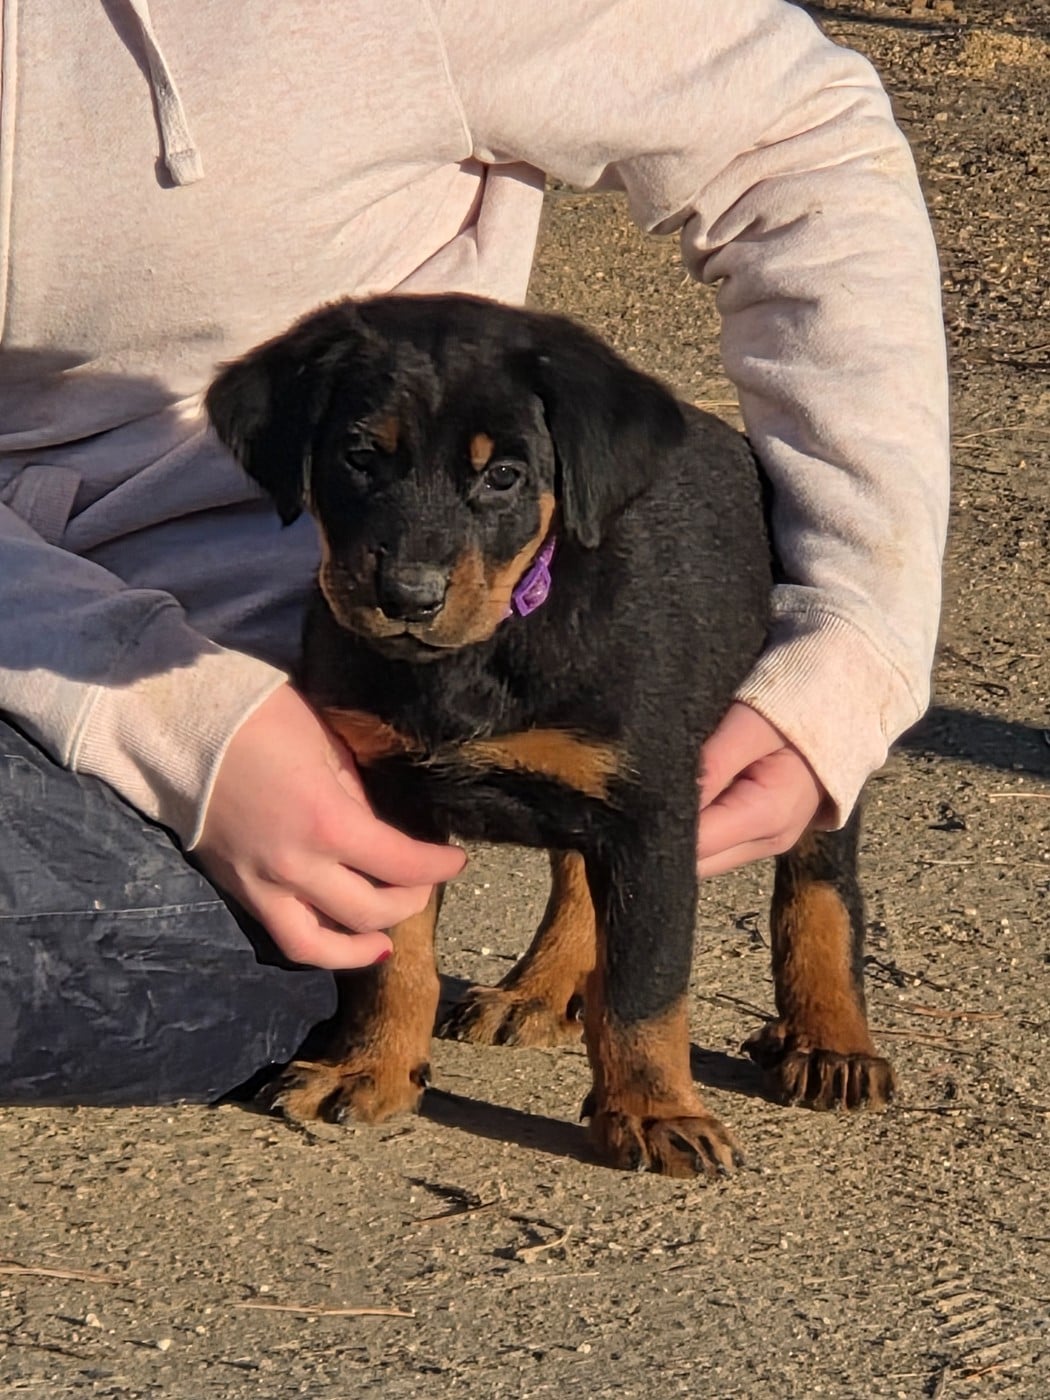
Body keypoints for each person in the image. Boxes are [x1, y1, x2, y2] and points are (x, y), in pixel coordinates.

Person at [0, 0, 949, 1103]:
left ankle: (752, 996)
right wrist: (159, 718)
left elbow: (797, 135)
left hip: (262, 701)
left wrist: (860, 632)